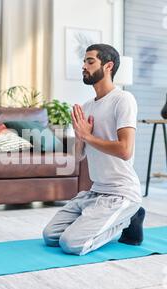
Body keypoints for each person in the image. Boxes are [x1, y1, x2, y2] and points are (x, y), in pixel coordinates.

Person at [42, 44, 145, 256]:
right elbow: (78, 156)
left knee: (71, 244)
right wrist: (80, 137)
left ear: (108, 66)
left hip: (120, 192)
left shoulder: (123, 99)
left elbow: (125, 150)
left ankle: (129, 217)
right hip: (94, 192)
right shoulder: (87, 106)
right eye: (84, 61)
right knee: (51, 236)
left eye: (90, 62)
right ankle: (110, 216)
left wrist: (88, 135)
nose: (84, 66)